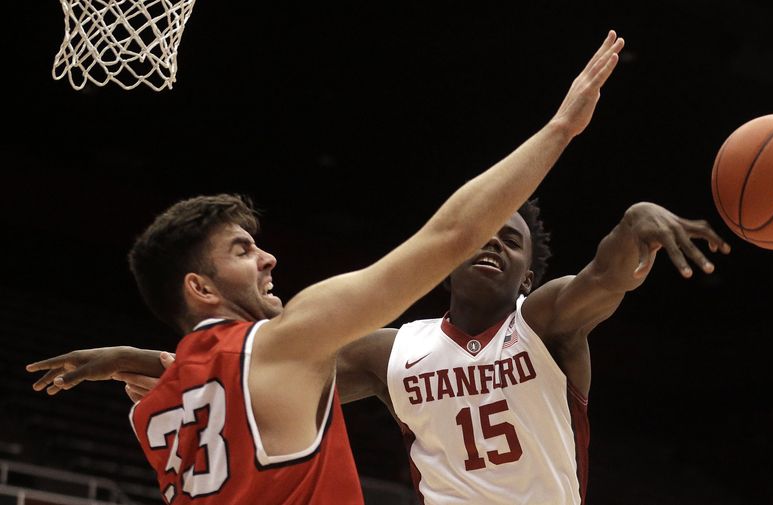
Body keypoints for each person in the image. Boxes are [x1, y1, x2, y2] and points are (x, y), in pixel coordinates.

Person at [27, 30, 626, 505]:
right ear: (200, 287)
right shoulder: (288, 343)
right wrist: (560, 128)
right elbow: (451, 236)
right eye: (242, 251)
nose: (268, 257)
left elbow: (214, 376)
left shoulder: (154, 408)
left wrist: (125, 359)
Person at [30, 199, 730, 504]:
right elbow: (256, 373)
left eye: (511, 240)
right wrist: (136, 357)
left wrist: (637, 223)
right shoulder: (395, 351)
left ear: (528, 272)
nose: (492, 241)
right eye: (484, 230)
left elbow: (605, 277)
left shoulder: (545, 323)